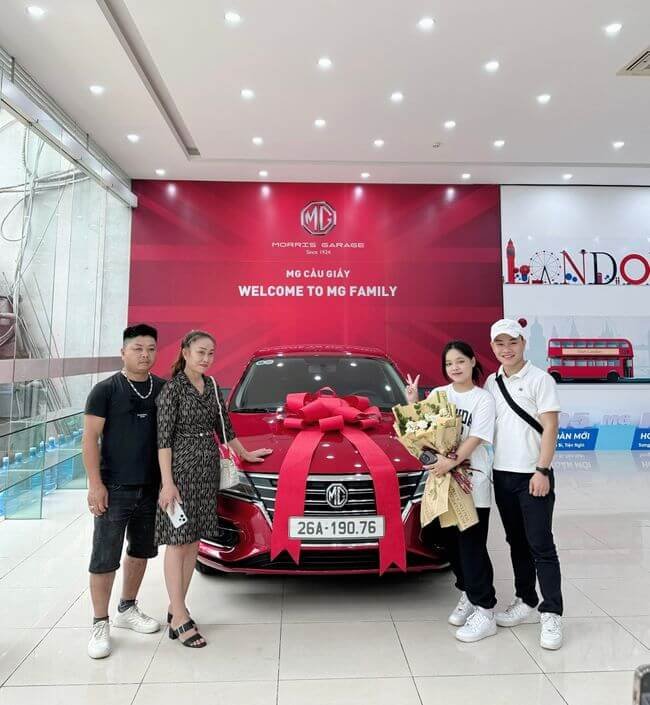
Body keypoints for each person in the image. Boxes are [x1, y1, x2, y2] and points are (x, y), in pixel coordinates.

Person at [155, 330, 272, 648]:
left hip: (207, 472)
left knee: (193, 542)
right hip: (180, 472)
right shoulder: (172, 390)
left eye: (210, 353)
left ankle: (176, 609)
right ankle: (180, 615)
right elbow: (163, 441)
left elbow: (225, 429)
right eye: (200, 352)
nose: (206, 358)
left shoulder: (212, 387)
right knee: (177, 542)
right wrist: (167, 483)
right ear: (185, 352)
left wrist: (246, 454)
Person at [406, 340, 497, 642]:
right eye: (449, 364)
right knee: (450, 544)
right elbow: (422, 432)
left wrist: (450, 461)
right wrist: (412, 403)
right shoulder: (438, 395)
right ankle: (468, 593)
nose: (454, 368)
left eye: (460, 361)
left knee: (472, 546)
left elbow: (477, 437)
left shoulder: (483, 399)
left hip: (472, 483)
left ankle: (485, 610)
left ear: (472, 362)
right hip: (442, 484)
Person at [84, 324, 165, 659]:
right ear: (123, 352)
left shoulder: (163, 388)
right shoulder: (105, 390)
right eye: (137, 348)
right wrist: (95, 484)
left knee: (141, 551)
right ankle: (99, 622)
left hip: (151, 488)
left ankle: (127, 608)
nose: (145, 355)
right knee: (105, 556)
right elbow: (90, 439)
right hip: (113, 489)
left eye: (150, 349)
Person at [484, 318, 563, 650]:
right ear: (492, 347)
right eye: (500, 343)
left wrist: (542, 470)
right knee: (516, 542)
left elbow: (551, 427)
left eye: (512, 342)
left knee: (541, 544)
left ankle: (552, 612)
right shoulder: (491, 382)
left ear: (523, 344)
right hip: (502, 475)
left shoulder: (540, 379)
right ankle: (526, 599)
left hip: (534, 475)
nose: (507, 349)